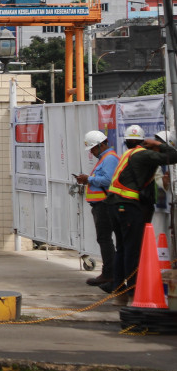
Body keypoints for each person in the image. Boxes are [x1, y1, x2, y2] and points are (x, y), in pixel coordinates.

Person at [103, 125, 177, 297]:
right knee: (132, 249)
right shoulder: (144, 154)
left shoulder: (130, 153)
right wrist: (158, 145)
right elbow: (174, 156)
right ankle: (133, 289)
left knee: (122, 248)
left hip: (115, 206)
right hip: (127, 207)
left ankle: (119, 287)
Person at [74, 130, 119, 288]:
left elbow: (108, 180)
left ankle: (110, 273)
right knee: (104, 239)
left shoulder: (109, 158)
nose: (91, 152)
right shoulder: (104, 159)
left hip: (105, 205)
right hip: (101, 205)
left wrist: (89, 179)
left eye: (93, 149)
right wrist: (87, 180)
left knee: (105, 239)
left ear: (101, 145)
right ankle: (111, 273)